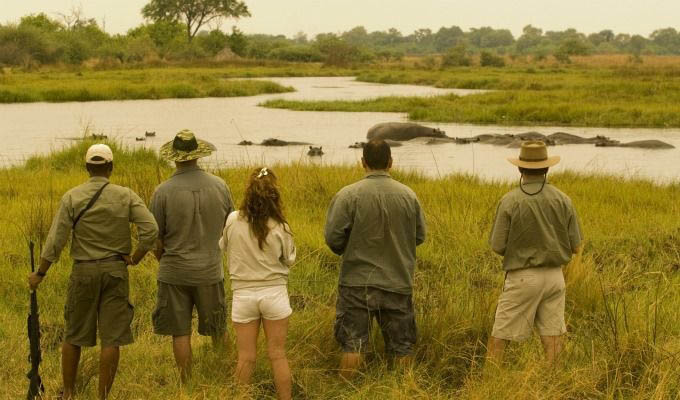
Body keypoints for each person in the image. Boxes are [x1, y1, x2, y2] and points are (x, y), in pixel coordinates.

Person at [28, 143, 158, 400]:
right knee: (111, 339)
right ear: (110, 168)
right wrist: (135, 258)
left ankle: (69, 394)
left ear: (87, 168)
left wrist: (40, 274)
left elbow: (56, 240)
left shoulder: (72, 197)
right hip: (115, 271)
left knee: (74, 334)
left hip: (84, 271)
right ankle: (103, 396)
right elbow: (151, 229)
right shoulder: (126, 195)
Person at [324, 139, 427, 379]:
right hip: (397, 281)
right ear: (390, 162)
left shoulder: (348, 195)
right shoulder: (409, 196)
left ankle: (345, 391)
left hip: (356, 283)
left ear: (363, 162)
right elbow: (419, 236)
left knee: (353, 345)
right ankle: (403, 391)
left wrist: (349, 250)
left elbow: (333, 238)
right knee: (402, 346)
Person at [487, 140, 582, 365]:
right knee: (553, 336)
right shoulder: (563, 199)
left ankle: (490, 380)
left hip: (523, 276)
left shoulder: (510, 200)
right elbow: (576, 246)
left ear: (520, 168)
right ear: (547, 168)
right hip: (555, 277)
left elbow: (497, 245)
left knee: (500, 336)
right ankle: (554, 383)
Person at [150, 129, 234, 383]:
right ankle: (226, 375)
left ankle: (186, 382)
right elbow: (230, 225)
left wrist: (163, 257)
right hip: (210, 270)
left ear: (174, 157)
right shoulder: (220, 186)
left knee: (180, 331)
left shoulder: (162, 192)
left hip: (174, 271)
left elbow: (155, 238)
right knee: (219, 328)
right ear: (198, 155)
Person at [220, 167, 295, 400]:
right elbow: (289, 259)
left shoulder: (233, 219)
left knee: (246, 357)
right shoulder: (281, 226)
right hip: (274, 294)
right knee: (278, 355)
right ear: (274, 194)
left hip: (243, 294)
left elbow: (222, 246)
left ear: (248, 192)